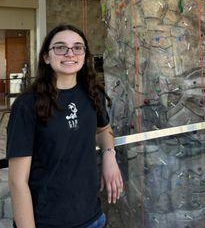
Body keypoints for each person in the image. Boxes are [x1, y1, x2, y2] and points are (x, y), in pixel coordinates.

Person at [6, 24, 123, 228]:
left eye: (78, 47)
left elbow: (103, 129)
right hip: (48, 221)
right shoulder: (27, 105)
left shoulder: (92, 93)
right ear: (46, 57)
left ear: (84, 55)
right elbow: (17, 182)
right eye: (60, 47)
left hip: (93, 218)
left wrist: (109, 153)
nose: (70, 53)